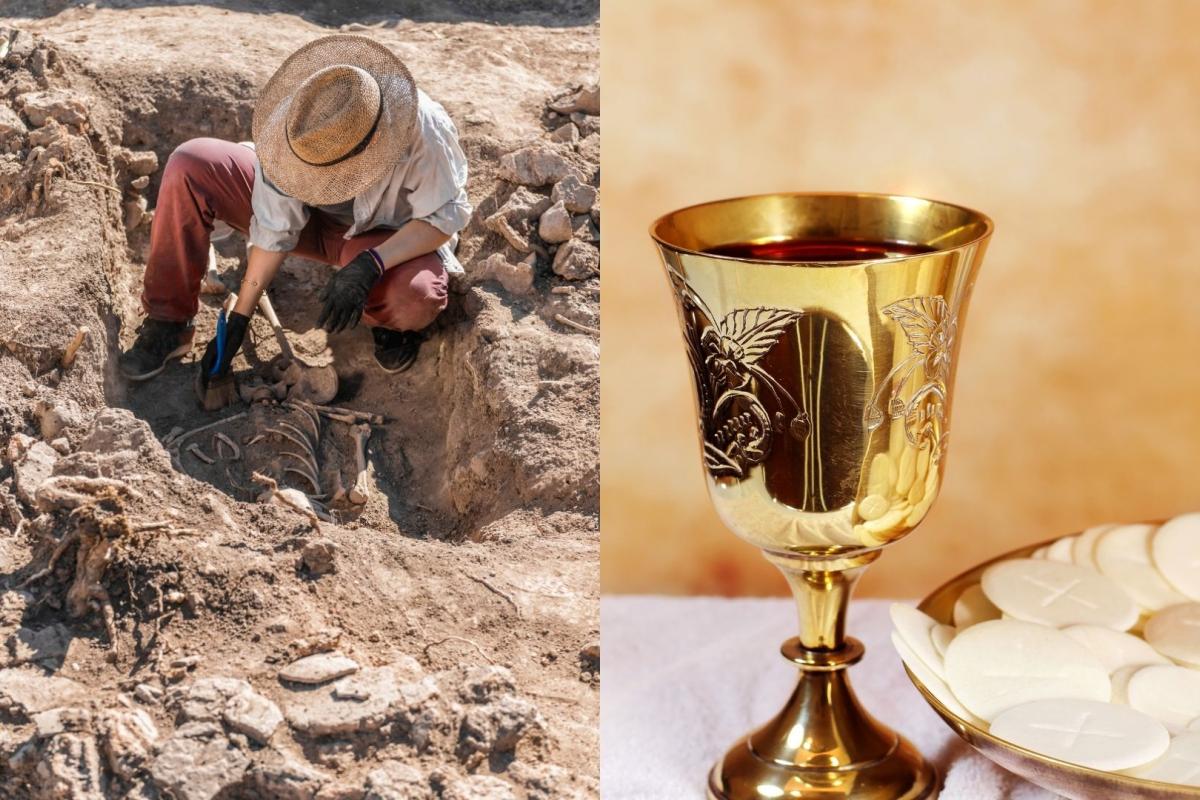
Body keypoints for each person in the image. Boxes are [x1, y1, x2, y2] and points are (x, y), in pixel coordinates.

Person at [118, 34, 471, 386]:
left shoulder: (423, 130)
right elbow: (275, 228)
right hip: (312, 225)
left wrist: (371, 264)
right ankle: (169, 321)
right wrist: (240, 318)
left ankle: (386, 322)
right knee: (189, 165)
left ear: (375, 142)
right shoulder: (301, 122)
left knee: (414, 299)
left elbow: (443, 218)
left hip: (384, 237)